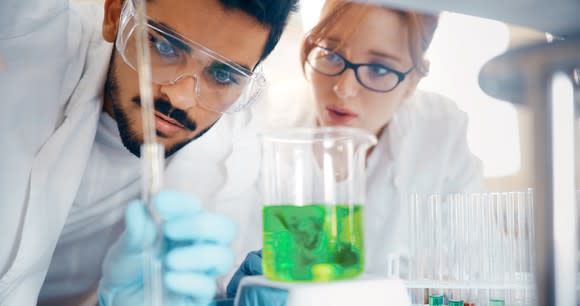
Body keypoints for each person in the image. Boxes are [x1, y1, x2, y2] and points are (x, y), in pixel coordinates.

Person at [0, 0, 298, 305]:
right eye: (165, 47)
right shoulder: (27, 47)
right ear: (115, 14)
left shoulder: (240, 143)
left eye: (222, 76)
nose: (180, 98)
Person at [226, 0, 483, 299]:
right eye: (331, 55)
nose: (344, 88)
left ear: (413, 79)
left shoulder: (441, 133)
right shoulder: (263, 119)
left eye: (378, 68)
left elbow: (472, 273)